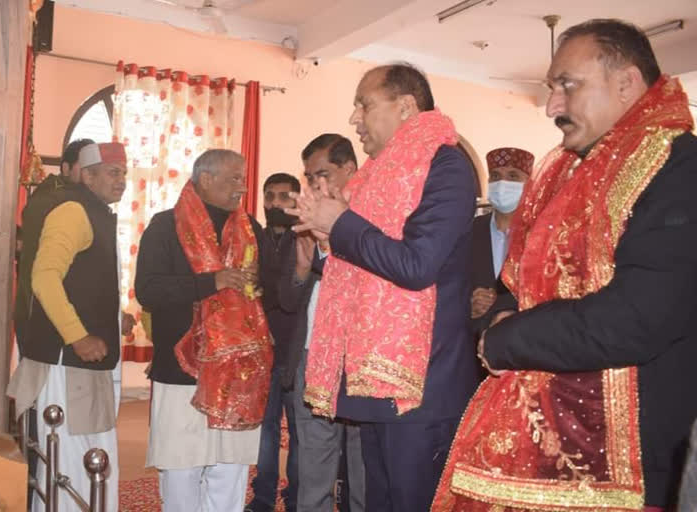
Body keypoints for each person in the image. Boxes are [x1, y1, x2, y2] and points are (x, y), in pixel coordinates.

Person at [432, 19, 697, 511]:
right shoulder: (573, 172)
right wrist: (497, 318)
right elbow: (520, 286)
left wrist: (504, 340)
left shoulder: (680, 168)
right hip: (544, 436)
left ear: (626, 83)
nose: (553, 106)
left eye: (566, 86)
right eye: (551, 89)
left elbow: (638, 317)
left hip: (637, 461)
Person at [287, 65, 479, 512]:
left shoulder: (445, 165)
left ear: (406, 106)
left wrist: (340, 225)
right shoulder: (376, 177)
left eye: (365, 104)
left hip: (421, 384)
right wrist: (327, 238)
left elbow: (416, 264)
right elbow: (365, 255)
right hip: (376, 381)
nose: (355, 119)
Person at [136, 149, 273, 512]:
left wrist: (260, 284)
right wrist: (210, 281)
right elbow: (148, 289)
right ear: (207, 179)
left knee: (231, 467)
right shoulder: (165, 226)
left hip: (239, 373)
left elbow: (270, 289)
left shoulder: (250, 229)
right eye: (234, 178)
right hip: (183, 370)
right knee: (183, 464)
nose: (242, 187)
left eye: (243, 179)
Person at [8, 142, 129, 512]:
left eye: (124, 173)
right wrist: (77, 335)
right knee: (77, 463)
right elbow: (44, 277)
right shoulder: (74, 211)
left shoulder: (95, 212)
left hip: (80, 365)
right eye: (113, 172)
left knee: (88, 458)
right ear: (87, 175)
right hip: (67, 366)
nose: (122, 180)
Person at [280, 133, 366, 512]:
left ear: (350, 170)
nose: (315, 185)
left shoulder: (372, 222)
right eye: (309, 177)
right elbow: (285, 300)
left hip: (359, 361)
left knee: (364, 470)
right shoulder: (302, 224)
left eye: (323, 174)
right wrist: (301, 270)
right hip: (311, 359)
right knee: (313, 469)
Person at [247, 172, 301, 512]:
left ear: (297, 200)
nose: (275, 204)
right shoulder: (255, 238)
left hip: (298, 352)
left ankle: (296, 499)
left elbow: (289, 296)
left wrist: (269, 285)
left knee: (300, 433)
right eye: (270, 196)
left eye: (284, 197)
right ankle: (263, 498)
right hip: (262, 351)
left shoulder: (307, 239)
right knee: (265, 432)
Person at [469, 147, 533, 336]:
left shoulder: (540, 234)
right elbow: (449, 285)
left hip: (524, 342)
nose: (502, 183)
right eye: (495, 176)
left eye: (513, 176)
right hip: (471, 345)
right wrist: (469, 304)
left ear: (529, 184)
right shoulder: (468, 231)